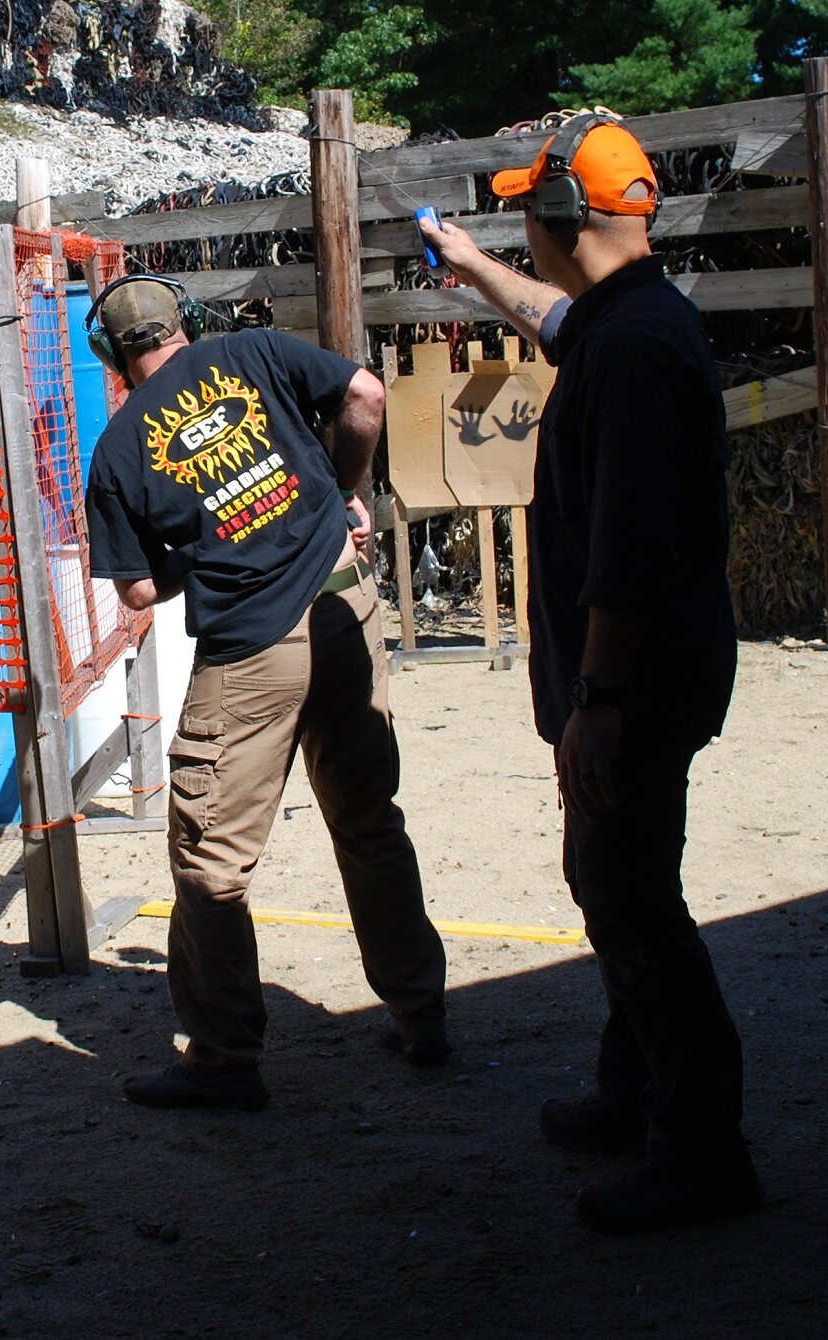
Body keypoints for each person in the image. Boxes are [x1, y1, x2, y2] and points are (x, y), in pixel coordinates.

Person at [418, 114, 759, 1234]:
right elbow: (554, 314)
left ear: (561, 216)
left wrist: (598, 704)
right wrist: (471, 269)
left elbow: (630, 545)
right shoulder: (632, 321)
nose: (522, 222)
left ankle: (697, 1148)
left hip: (636, 684)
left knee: (629, 897)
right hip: (645, 676)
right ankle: (636, 1091)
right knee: (612, 879)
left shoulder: (631, 353)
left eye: (526, 210)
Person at [82, 274, 449, 1114]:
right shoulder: (247, 350)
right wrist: (347, 486)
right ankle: (421, 1012)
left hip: (252, 649)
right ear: (187, 324)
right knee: (367, 819)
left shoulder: (119, 446)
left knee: (210, 860)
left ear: (110, 355)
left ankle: (222, 1058)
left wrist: (198, 554)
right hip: (347, 603)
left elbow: (138, 595)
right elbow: (363, 393)